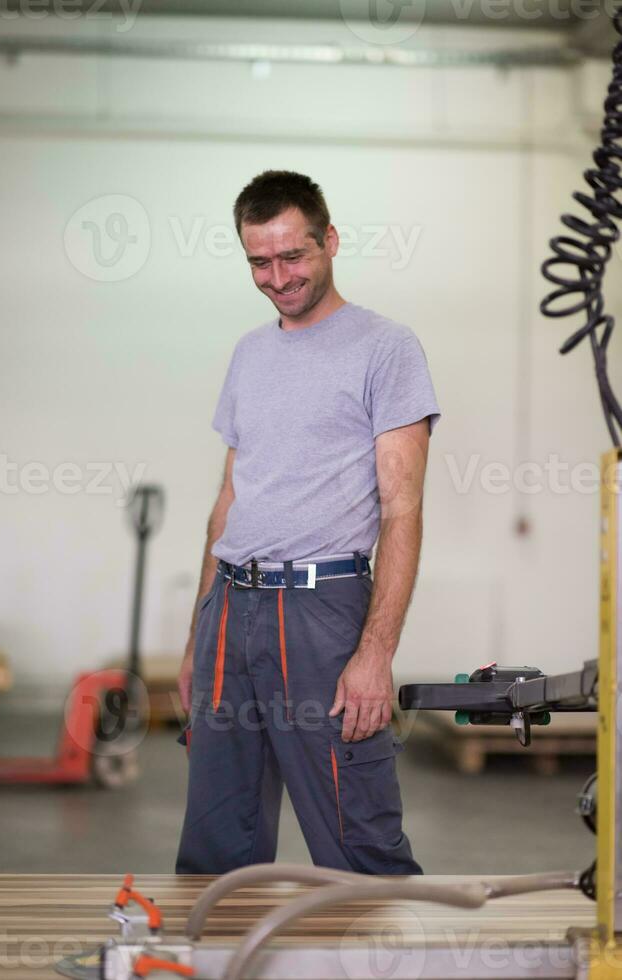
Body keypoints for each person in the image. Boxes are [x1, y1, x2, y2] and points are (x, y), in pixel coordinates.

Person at [176, 170, 440, 876]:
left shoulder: (386, 348)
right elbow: (229, 499)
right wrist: (198, 635)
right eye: (259, 261)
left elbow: (403, 510)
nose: (278, 276)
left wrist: (375, 653)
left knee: (360, 840)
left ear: (331, 241)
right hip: (231, 607)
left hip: (321, 613)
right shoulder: (250, 353)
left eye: (293, 256)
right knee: (215, 842)